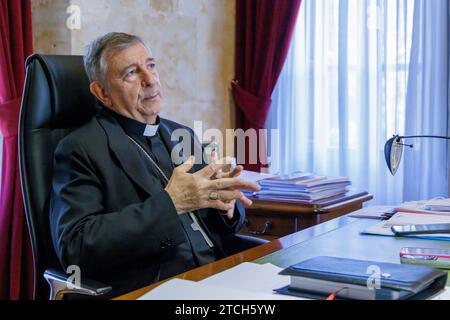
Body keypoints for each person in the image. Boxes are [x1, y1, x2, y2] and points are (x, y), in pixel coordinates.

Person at [49, 32, 260, 297]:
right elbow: (76, 248)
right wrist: (172, 204)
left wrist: (225, 206)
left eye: (150, 65)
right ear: (102, 92)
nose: (150, 80)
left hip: (215, 277)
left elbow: (222, 222)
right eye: (131, 73)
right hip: (153, 287)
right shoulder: (80, 149)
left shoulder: (181, 135)